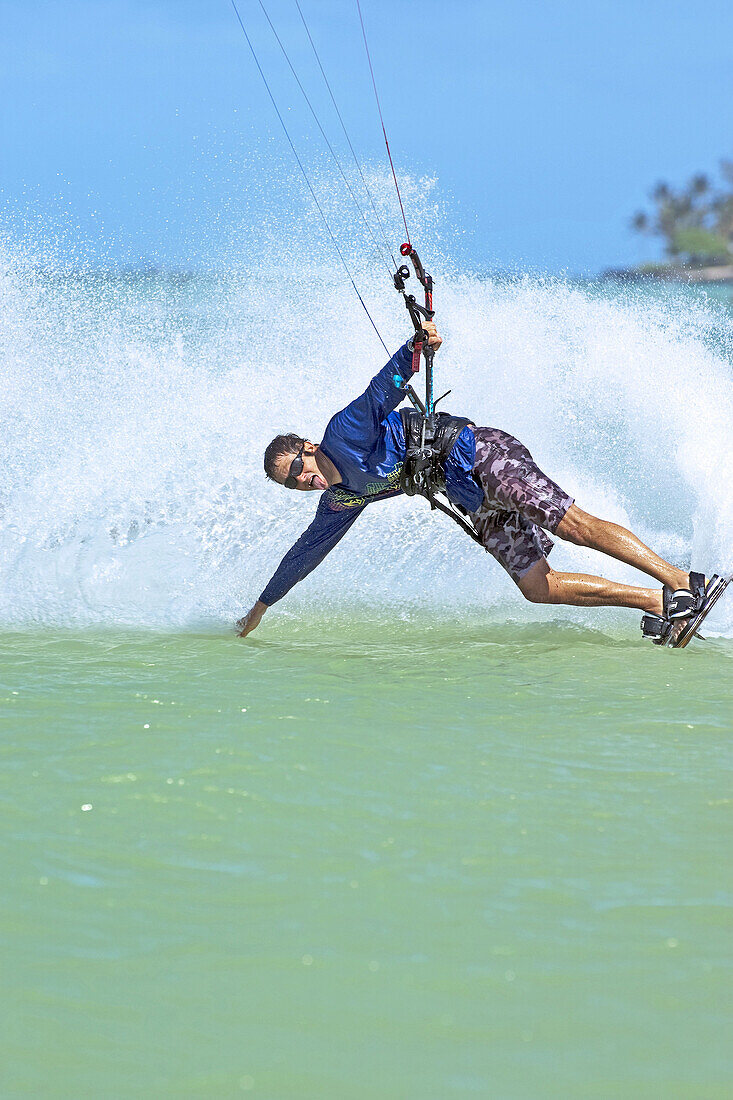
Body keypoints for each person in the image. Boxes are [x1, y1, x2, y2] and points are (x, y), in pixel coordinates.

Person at [236, 322, 709, 643]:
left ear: (308, 448)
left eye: (298, 468)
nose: (302, 481)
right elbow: (304, 554)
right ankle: (665, 603)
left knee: (574, 527)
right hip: (469, 497)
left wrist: (418, 346)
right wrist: (261, 608)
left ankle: (684, 580)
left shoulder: (343, 432)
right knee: (536, 587)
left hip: (478, 455)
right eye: (292, 484)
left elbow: (383, 388)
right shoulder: (341, 499)